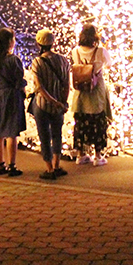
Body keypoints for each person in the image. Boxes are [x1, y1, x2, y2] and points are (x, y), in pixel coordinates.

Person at [29, 29, 70, 180]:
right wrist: (62, 102)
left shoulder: (37, 62)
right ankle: (57, 165)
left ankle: (49, 168)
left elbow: (39, 87)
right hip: (59, 105)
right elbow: (67, 84)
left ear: (38, 43)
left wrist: (51, 100)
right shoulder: (63, 60)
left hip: (42, 104)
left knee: (44, 136)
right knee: (57, 134)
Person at [70, 24, 112, 166]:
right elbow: (109, 64)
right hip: (96, 91)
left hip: (81, 90)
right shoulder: (100, 51)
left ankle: (81, 154)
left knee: (81, 122)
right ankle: (98, 155)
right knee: (98, 122)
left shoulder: (75, 51)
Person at [0, 28, 26, 177]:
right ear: (10, 41)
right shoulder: (13, 59)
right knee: (11, 132)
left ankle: (0, 164)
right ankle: (12, 165)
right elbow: (18, 80)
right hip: (10, 96)